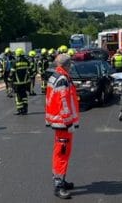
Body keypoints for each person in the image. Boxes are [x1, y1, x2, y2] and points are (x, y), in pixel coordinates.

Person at [45, 54, 80, 199]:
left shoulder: (55, 76)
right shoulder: (63, 79)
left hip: (57, 120)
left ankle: (61, 180)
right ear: (67, 65)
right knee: (62, 153)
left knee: (61, 151)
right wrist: (69, 122)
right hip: (63, 122)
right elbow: (63, 103)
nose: (71, 66)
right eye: (70, 64)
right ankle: (58, 185)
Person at [11, 48, 31, 115]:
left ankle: (20, 110)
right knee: (24, 95)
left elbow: (12, 73)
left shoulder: (15, 62)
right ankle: (25, 109)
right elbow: (30, 69)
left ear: (17, 53)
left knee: (18, 96)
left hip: (17, 83)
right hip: (25, 82)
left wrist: (10, 79)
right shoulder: (26, 61)